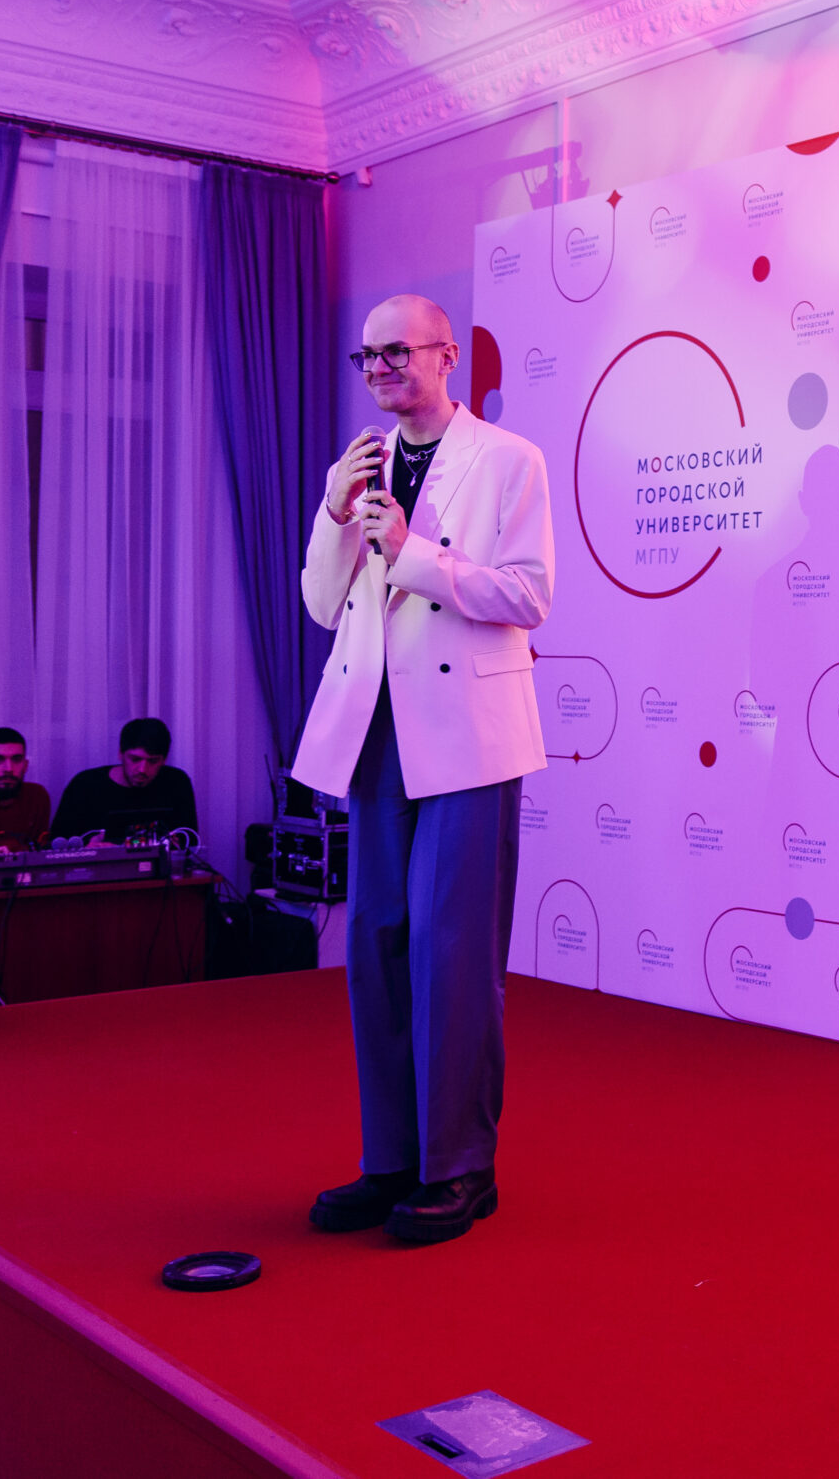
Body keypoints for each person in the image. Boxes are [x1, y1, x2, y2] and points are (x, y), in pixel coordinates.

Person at [289, 292, 552, 1246]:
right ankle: (392, 1158)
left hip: (467, 733)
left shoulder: (509, 459)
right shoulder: (356, 466)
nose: (381, 369)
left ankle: (461, 1166)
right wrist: (335, 514)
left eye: (398, 351)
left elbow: (529, 596)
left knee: (453, 952)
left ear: (447, 357)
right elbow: (322, 604)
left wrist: (413, 551)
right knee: (376, 947)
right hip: (375, 729)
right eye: (368, 357)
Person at [50, 717, 199, 842]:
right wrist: (88, 847)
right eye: (135, 759)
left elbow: (190, 839)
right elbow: (56, 843)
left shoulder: (176, 782)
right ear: (120, 754)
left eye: (153, 761)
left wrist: (174, 844)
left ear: (164, 760)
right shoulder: (85, 785)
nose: (142, 769)